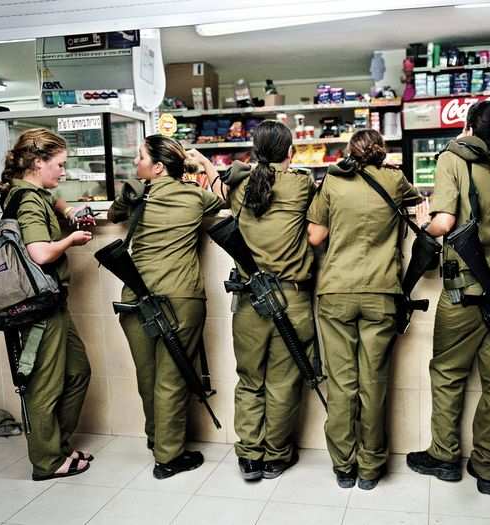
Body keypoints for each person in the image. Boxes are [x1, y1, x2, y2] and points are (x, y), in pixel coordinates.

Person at [406, 101, 490, 495]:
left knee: (447, 374)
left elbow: (445, 222)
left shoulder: (452, 159)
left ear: (467, 125)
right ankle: (489, 467)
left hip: (465, 291)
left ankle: (445, 457)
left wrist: (420, 221)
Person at [307, 129, 421, 490]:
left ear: (349, 153)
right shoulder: (395, 179)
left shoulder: (332, 183)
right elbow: (422, 210)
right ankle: (371, 468)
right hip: (381, 292)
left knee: (343, 385)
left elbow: (315, 237)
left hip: (337, 291)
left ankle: (344, 466)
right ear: (381, 153)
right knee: (374, 384)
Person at [108, 135, 225, 479]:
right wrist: (203, 164)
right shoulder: (192, 195)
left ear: (157, 167)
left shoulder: (136, 196)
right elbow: (221, 199)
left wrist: (132, 192)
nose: (136, 162)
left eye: (141, 157)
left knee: (148, 377)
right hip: (180, 298)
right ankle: (168, 457)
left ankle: (157, 439)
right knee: (171, 379)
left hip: (135, 300)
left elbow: (114, 214)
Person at [0, 128, 93, 481]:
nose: (63, 173)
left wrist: (67, 209)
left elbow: (52, 200)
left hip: (52, 304)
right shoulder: (29, 199)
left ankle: (59, 447)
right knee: (45, 386)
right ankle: (48, 462)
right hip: (39, 309)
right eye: (60, 165)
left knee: (78, 372)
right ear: (38, 163)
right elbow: (38, 253)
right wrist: (71, 239)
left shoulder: (27, 191)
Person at [222, 120, 316, 481]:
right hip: (291, 300)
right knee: (283, 382)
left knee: (249, 379)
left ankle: (249, 456)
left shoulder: (238, 187)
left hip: (248, 301)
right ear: (290, 152)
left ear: (253, 152)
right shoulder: (301, 184)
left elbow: (223, 186)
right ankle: (276, 455)